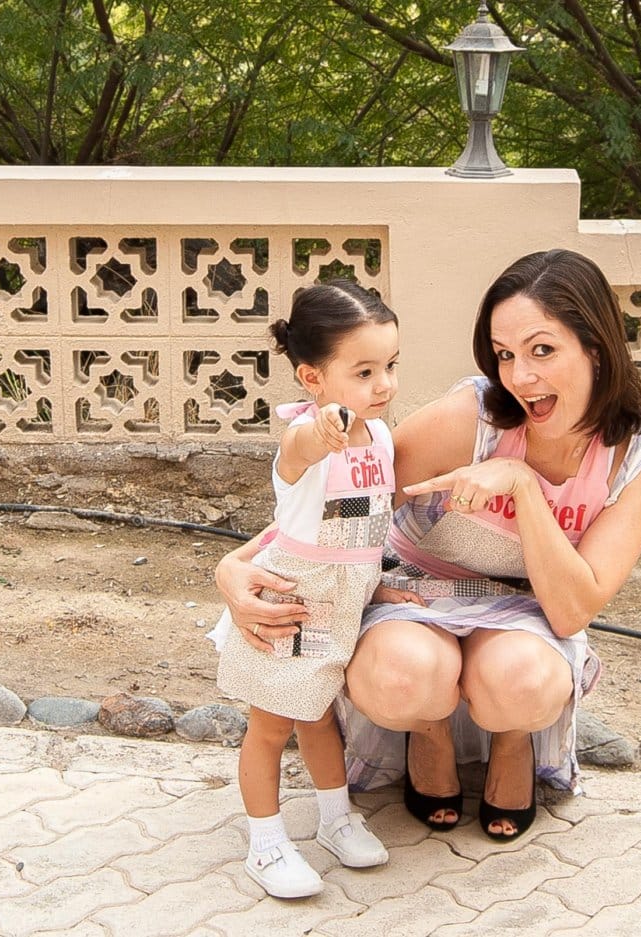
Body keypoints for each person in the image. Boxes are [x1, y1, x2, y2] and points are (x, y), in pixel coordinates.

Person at [216, 249, 641, 843]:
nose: (520, 376)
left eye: (542, 350)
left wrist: (520, 486)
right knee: (401, 677)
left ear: (596, 345)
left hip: (529, 608)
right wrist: (235, 563)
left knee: (524, 683)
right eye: (505, 354)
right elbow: (345, 500)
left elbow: (571, 609)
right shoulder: (476, 416)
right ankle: (427, 733)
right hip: (415, 589)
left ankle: (513, 741)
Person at [210, 280, 423, 898]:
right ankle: (266, 842)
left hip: (345, 601)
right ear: (311, 378)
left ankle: (334, 818)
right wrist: (324, 427)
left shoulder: (380, 437)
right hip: (293, 603)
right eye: (363, 371)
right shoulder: (302, 440)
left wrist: (375, 588)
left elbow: (362, 532)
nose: (383, 384)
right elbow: (302, 451)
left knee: (321, 719)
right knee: (271, 726)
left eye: (389, 366)